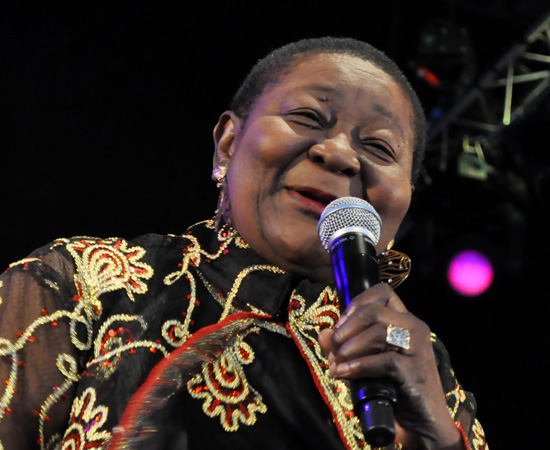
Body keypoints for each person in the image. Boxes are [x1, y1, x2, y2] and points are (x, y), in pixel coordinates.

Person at [0, 37, 488, 450]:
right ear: (228, 144)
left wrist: (438, 436)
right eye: (308, 117)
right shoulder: (79, 280)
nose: (339, 154)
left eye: (379, 148)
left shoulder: (425, 371)